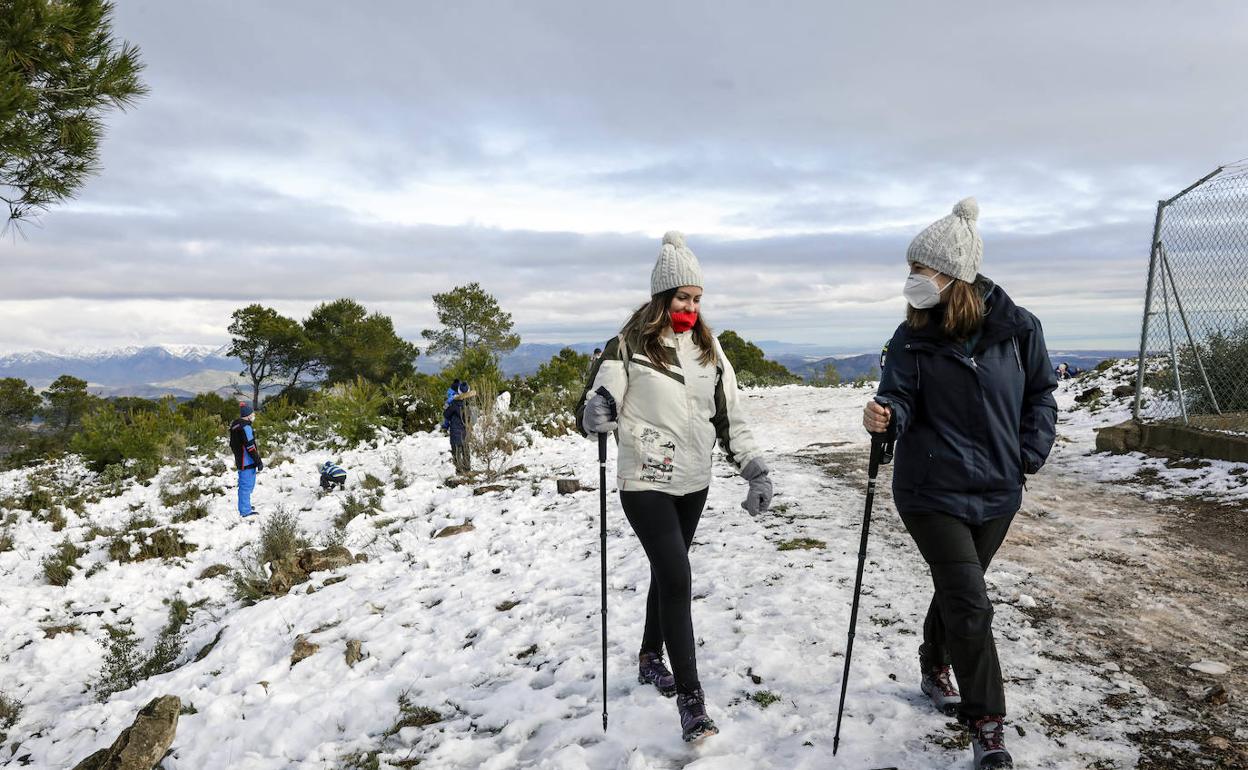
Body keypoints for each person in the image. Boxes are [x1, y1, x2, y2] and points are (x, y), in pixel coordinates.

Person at [863, 198, 1057, 770]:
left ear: (954, 274)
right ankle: (987, 723)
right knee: (970, 601)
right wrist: (886, 417)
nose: (912, 281)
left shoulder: (1020, 330)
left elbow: (1042, 393)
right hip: (930, 490)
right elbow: (898, 396)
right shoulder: (910, 335)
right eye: (912, 270)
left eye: (921, 270)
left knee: (958, 590)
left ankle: (932, 662)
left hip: (999, 490)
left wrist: (1027, 453)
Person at [580, 231, 773, 743]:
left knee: (668, 573)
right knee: (678, 577)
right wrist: (594, 414)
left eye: (696, 298)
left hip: (694, 481)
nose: (690, 307)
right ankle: (692, 701)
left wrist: (754, 468)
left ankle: (649, 657)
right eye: (682, 297)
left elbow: (732, 416)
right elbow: (598, 401)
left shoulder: (710, 350)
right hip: (643, 481)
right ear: (661, 297)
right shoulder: (628, 347)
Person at [228, 402, 263, 518]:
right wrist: (258, 461)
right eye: (252, 413)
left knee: (247, 485)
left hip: (241, 460)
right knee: (246, 486)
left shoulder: (235, 426)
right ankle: (245, 510)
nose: (253, 415)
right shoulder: (246, 427)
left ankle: (245, 505)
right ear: (248, 415)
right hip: (247, 461)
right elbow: (250, 447)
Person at [444, 381, 475, 473]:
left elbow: (446, 414)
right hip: (466, 430)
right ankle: (467, 468)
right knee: (466, 450)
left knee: (456, 450)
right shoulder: (471, 403)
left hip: (455, 431)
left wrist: (447, 406)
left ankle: (459, 470)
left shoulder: (454, 404)